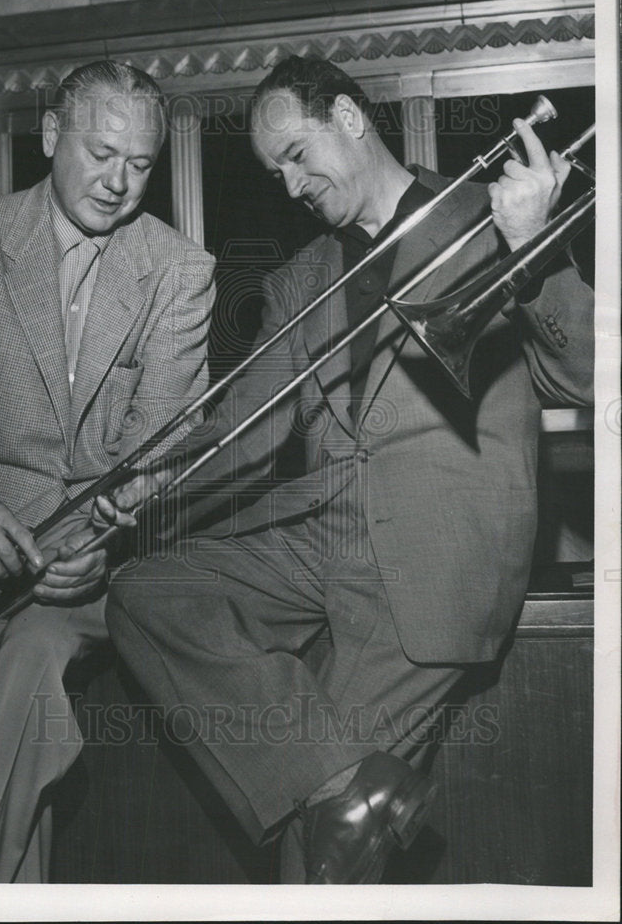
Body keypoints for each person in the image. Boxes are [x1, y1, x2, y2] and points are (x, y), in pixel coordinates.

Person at [99, 56, 594, 883]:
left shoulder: (489, 213)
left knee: (317, 858)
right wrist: (148, 480)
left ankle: (339, 800)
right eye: (273, 171)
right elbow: (241, 431)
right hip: (320, 537)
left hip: (437, 554)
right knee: (146, 593)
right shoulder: (300, 276)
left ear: (351, 119)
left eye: (298, 154)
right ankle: (344, 783)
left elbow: (582, 377)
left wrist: (535, 249)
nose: (290, 186)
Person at [0, 60, 216, 882]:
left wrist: (102, 542)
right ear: (51, 137)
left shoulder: (180, 270)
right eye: (101, 152)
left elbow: (166, 437)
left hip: (103, 578)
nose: (119, 182)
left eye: (142, 164)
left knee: (30, 656)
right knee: (17, 745)